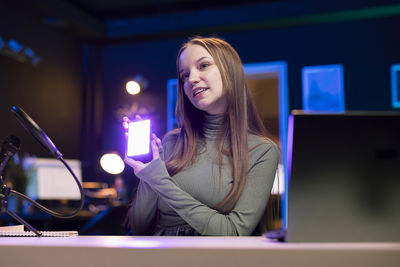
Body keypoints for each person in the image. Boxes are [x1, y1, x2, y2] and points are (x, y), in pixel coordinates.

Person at [124, 36, 280, 236]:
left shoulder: (262, 151)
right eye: (185, 75)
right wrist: (148, 175)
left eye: (204, 65)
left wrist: (160, 181)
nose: (192, 79)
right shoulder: (171, 142)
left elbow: (233, 233)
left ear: (230, 71)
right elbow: (140, 230)